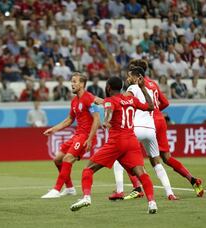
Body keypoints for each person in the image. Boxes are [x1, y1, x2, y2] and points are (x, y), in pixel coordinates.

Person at [70, 76, 158, 214]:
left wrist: (106, 120)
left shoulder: (111, 101)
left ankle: (86, 197)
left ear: (108, 88)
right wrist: (142, 88)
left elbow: (109, 110)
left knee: (88, 169)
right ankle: (152, 202)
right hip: (132, 141)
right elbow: (151, 106)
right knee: (141, 173)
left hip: (117, 141)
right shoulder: (131, 99)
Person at [126, 59, 203, 198]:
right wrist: (155, 111)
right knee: (167, 158)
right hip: (160, 119)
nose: (129, 76)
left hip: (148, 122)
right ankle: (193, 180)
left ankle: (137, 188)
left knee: (126, 152)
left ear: (138, 72)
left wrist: (147, 113)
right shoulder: (153, 84)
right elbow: (165, 102)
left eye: (131, 71)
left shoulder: (137, 86)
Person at [109, 67, 176, 200]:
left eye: (130, 76)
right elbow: (154, 106)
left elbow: (122, 100)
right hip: (151, 130)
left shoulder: (133, 88)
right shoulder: (149, 90)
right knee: (156, 161)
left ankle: (121, 190)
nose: (128, 79)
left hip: (137, 128)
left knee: (119, 157)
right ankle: (170, 193)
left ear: (137, 77)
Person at [41, 73, 100, 199]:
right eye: (71, 81)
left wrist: (90, 139)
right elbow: (69, 120)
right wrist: (54, 129)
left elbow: (96, 120)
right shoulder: (74, 101)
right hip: (77, 135)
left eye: (74, 81)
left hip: (85, 137)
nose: (72, 84)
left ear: (82, 84)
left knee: (67, 158)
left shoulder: (89, 98)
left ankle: (56, 189)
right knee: (57, 159)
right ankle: (69, 188)